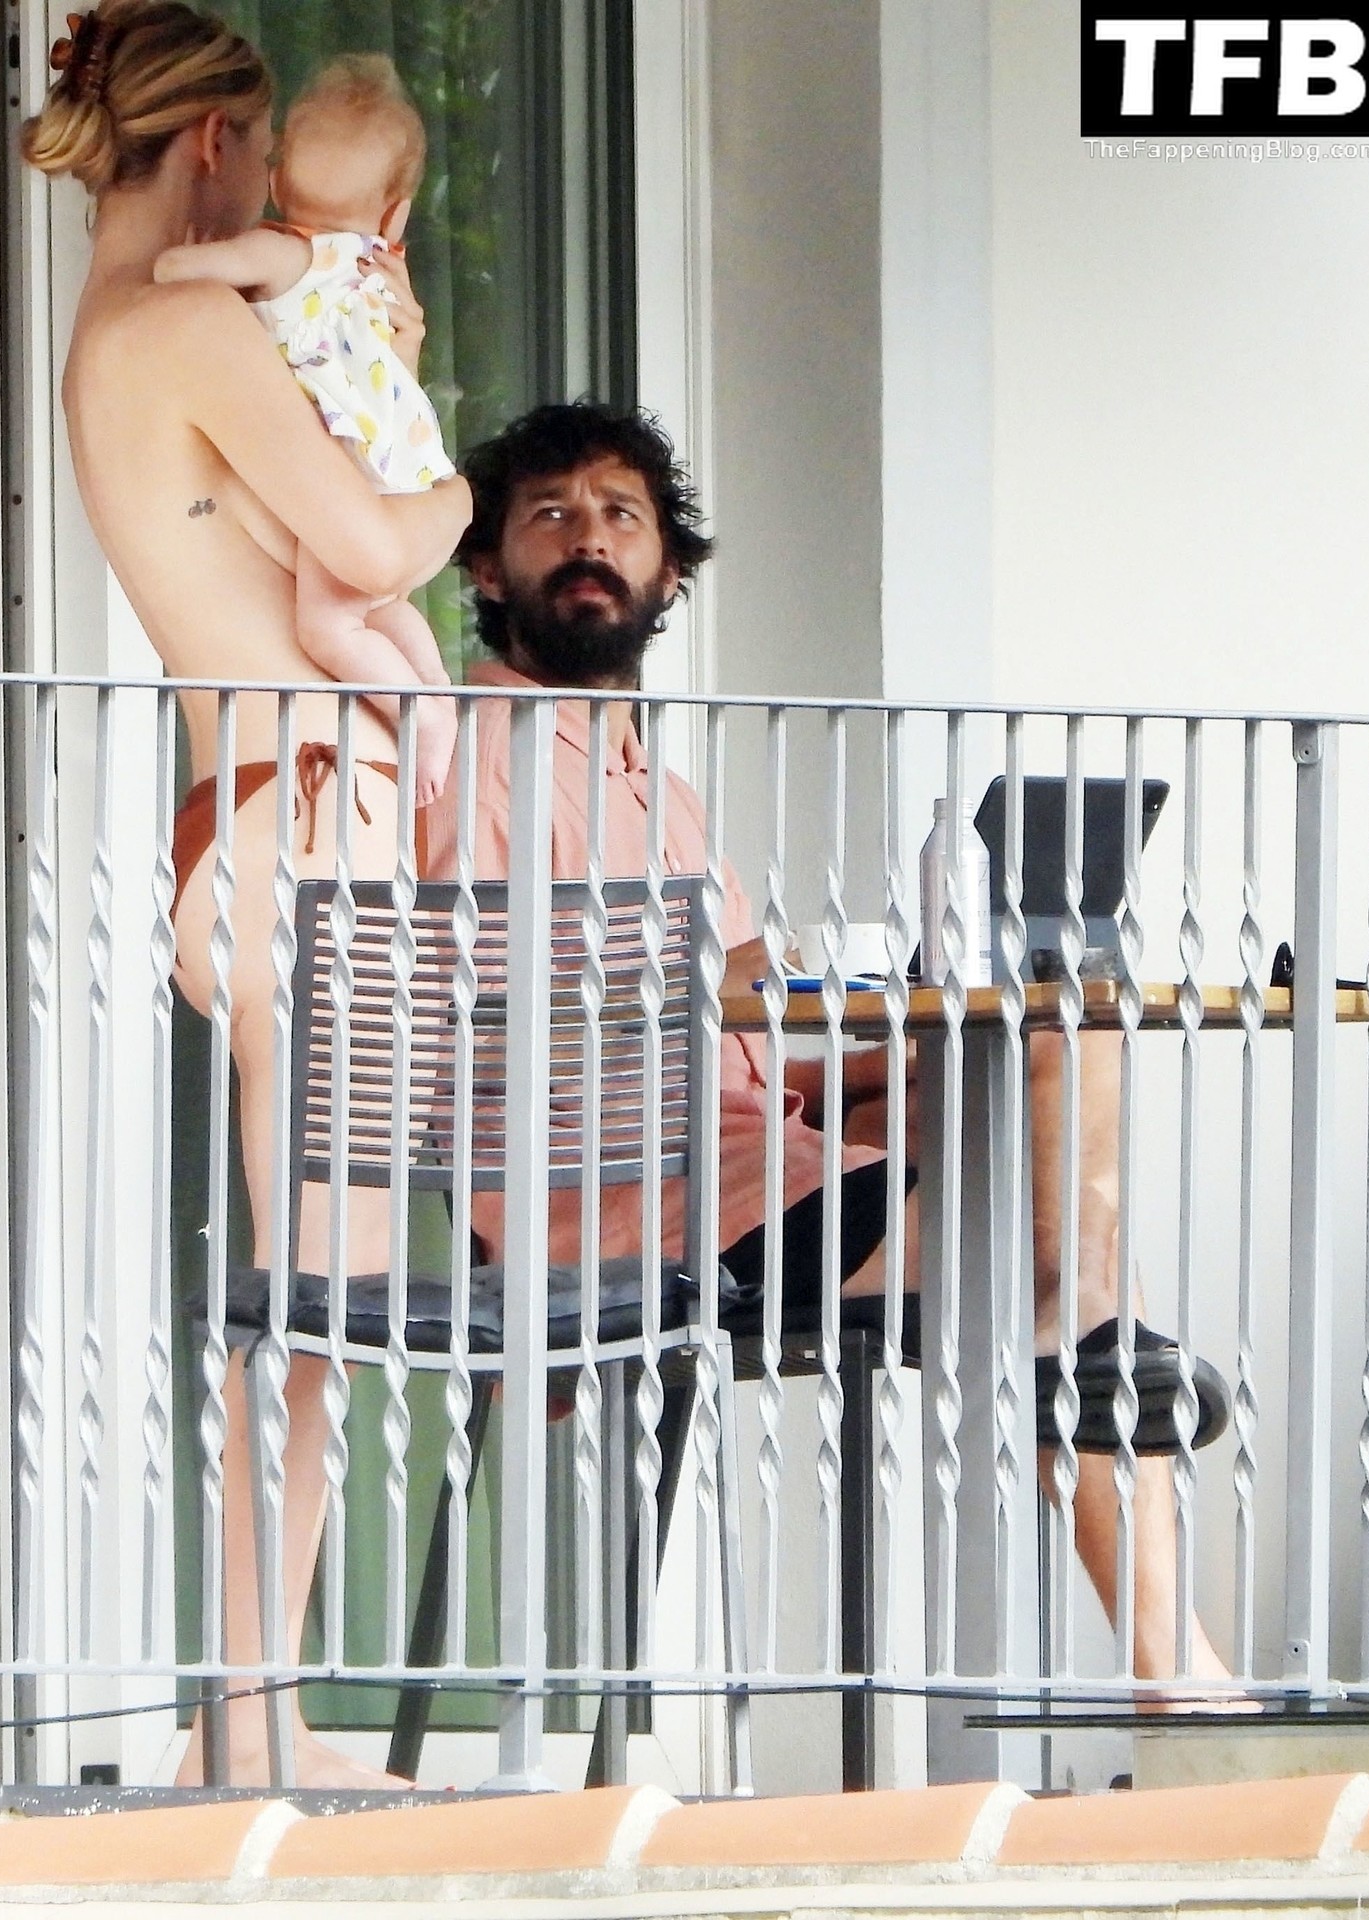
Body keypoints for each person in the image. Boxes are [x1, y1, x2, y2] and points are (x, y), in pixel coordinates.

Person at [422, 398, 1236, 1692]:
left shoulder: (664, 796)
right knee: (1029, 1266)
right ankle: (1139, 1538)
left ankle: (1083, 1352)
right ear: (484, 567)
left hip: (757, 1162)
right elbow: (483, 1015)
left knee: (1051, 1030)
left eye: (621, 515)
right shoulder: (462, 758)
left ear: (669, 574)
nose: (589, 538)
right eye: (551, 514)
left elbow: (749, 1059)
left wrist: (894, 1015)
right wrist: (733, 979)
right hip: (629, 1198)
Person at [22, 1, 472, 1786]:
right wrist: (452, 489)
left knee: (312, 1305)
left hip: (258, 823)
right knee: (315, 1307)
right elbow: (369, 542)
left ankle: (254, 1712)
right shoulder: (189, 327)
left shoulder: (107, 338)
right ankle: (249, 1721)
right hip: (308, 837)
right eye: (265, 150)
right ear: (215, 142)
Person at [154, 52, 458, 805]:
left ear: (276, 183)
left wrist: (188, 247)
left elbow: (172, 274)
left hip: (344, 460)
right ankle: (434, 684)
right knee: (379, 606)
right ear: (395, 215)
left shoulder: (286, 251)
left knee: (327, 629)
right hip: (401, 455)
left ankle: (425, 715)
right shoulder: (379, 271)